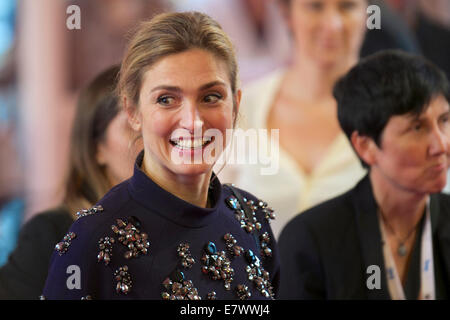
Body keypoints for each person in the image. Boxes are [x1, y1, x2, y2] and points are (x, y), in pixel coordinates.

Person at [42, 12, 279, 300]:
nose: (193, 122)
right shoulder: (92, 241)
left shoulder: (251, 218)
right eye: (166, 99)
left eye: (211, 97)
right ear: (132, 112)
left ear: (236, 104)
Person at [279, 50, 450, 299]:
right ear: (366, 146)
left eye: (444, 120)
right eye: (417, 127)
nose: (441, 145)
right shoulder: (310, 242)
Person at [218, 0, 370, 238]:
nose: (332, 24)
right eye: (315, 7)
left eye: (347, 6)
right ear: (287, 14)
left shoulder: (395, 112)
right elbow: (208, 217)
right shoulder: (243, 108)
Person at [0, 65, 141, 299]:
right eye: (132, 128)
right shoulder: (52, 234)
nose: (150, 142)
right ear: (96, 148)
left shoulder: (191, 226)